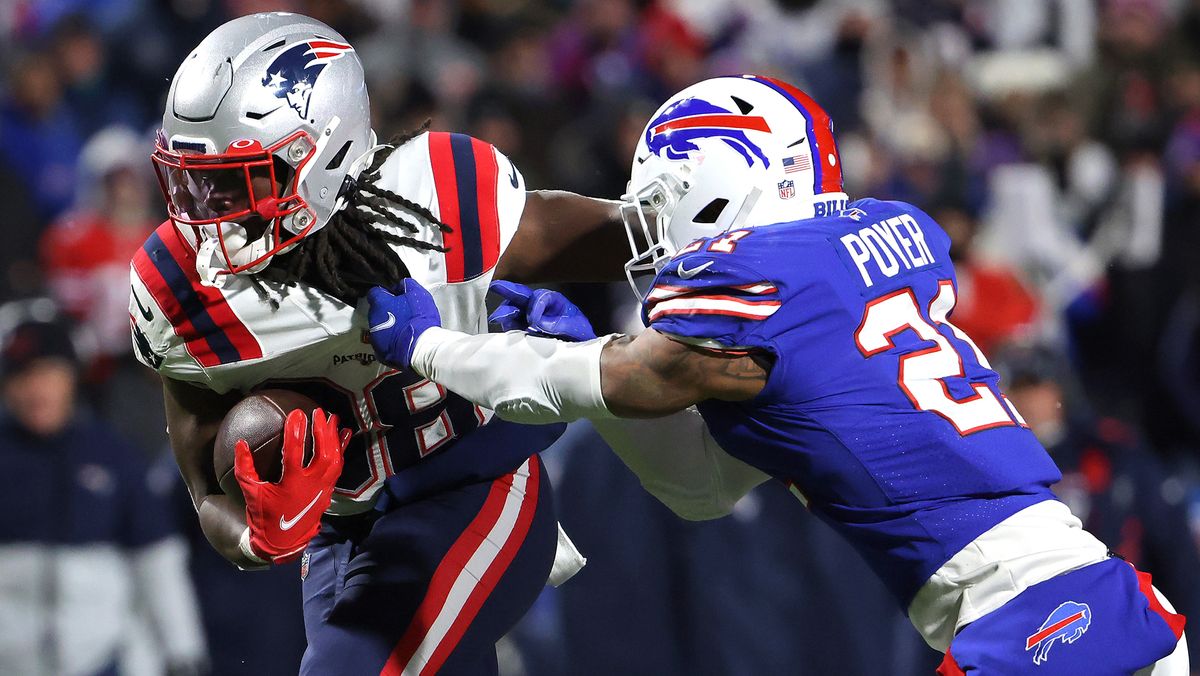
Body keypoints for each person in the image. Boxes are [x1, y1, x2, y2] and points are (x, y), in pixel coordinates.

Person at [369, 75, 1191, 674]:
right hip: (1057, 597)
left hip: (1036, 616)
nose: (652, 231)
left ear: (726, 181)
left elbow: (627, 380)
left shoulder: (767, 278)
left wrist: (430, 347)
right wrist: (590, 367)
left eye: (664, 199)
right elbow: (701, 486)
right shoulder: (857, 261)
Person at [129, 12, 632, 675]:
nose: (204, 212)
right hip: (344, 529)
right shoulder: (176, 287)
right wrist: (259, 532)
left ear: (324, 153)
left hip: (478, 486)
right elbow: (205, 495)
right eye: (191, 180)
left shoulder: (429, 198)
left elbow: (594, 236)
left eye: (233, 182)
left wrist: (719, 248)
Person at [0, 301, 207, 676]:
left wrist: (182, 649)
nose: (36, 388)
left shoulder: (112, 454)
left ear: (71, 376)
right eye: (22, 376)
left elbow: (157, 561)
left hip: (103, 659)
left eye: (48, 371)